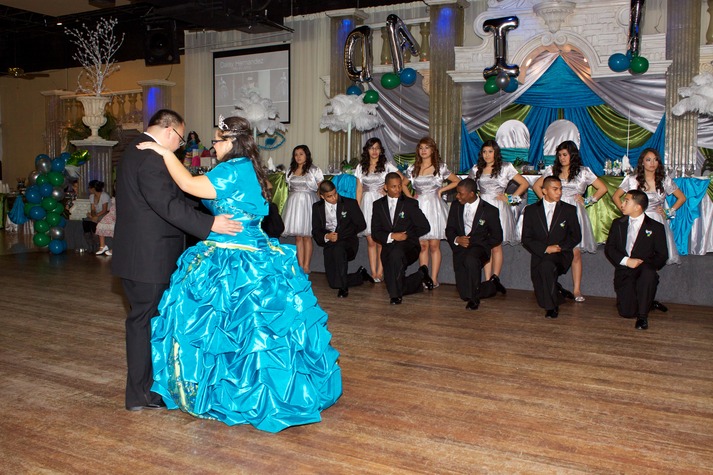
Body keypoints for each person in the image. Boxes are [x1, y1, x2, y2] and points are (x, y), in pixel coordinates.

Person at [136, 115, 342, 432]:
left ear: (232, 142)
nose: (213, 145)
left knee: (241, 329)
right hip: (239, 250)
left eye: (218, 140)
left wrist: (164, 153)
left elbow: (190, 185)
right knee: (239, 329)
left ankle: (248, 394)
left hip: (237, 258)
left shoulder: (233, 169)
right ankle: (233, 387)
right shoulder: (243, 168)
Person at [111, 109, 242, 412]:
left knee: (142, 323)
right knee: (144, 325)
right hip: (149, 258)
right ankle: (141, 394)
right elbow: (166, 205)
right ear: (170, 131)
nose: (181, 147)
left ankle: (141, 391)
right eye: (181, 140)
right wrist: (210, 225)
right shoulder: (151, 157)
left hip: (137, 256)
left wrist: (207, 199)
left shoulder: (133, 151)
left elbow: (173, 197)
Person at [532, 141, 608, 302]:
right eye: (559, 155)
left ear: (572, 155)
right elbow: (537, 186)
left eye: (565, 154)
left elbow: (602, 188)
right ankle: (550, 285)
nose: (562, 158)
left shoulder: (583, 172)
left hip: (574, 211)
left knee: (575, 252)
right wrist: (546, 201)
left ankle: (577, 289)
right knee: (553, 248)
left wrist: (587, 201)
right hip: (555, 211)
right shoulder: (552, 170)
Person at [468, 139, 529, 292]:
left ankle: (495, 278)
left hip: (498, 208)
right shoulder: (476, 169)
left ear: (496, 152)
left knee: (496, 245)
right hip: (481, 208)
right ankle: (487, 280)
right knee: (484, 245)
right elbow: (468, 187)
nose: (487, 155)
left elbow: (524, 184)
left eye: (490, 151)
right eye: (484, 152)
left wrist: (510, 197)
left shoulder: (505, 167)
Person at [605, 190, 668, 330]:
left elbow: (662, 255)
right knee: (626, 313)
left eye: (626, 201)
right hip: (624, 270)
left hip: (644, 270)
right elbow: (610, 248)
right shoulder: (618, 223)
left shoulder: (656, 227)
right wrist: (626, 261)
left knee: (647, 274)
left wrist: (646, 266)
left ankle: (643, 317)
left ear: (637, 206)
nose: (622, 203)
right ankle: (649, 302)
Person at [402, 137, 460, 288]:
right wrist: (410, 199)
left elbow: (457, 181)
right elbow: (403, 185)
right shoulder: (413, 168)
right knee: (422, 245)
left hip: (435, 207)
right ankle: (424, 276)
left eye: (426, 147)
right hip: (419, 207)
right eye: (421, 148)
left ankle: (434, 278)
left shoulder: (440, 167)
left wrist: (442, 189)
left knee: (434, 245)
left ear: (433, 149)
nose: (423, 151)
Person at [612, 148, 686, 266]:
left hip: (657, 219)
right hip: (636, 219)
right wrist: (626, 211)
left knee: (654, 258)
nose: (652, 163)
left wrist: (668, 212)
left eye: (655, 160)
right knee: (635, 251)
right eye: (648, 160)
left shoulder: (664, 180)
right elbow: (616, 196)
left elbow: (682, 198)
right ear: (642, 162)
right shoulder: (632, 179)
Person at [521, 176, 582, 319]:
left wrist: (559, 248)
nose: (559, 192)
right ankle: (558, 292)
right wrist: (545, 248)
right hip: (540, 254)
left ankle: (552, 308)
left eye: (561, 189)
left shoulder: (569, 210)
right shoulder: (531, 210)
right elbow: (526, 239)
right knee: (541, 299)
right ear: (544, 191)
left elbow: (576, 236)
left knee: (548, 266)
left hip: (560, 254)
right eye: (555, 189)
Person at [371, 172, 432, 305]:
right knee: (392, 280)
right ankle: (420, 275)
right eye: (393, 187)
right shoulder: (378, 205)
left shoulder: (410, 204)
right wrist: (392, 236)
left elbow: (425, 227)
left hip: (409, 246)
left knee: (396, 257)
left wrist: (406, 236)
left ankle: (395, 296)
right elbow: (375, 232)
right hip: (388, 246)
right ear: (386, 187)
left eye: (399, 186)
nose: (398, 189)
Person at [445, 178, 503, 310]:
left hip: (479, 248)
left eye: (460, 193)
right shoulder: (455, 206)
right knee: (464, 294)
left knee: (471, 259)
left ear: (472, 194)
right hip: (460, 248)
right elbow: (449, 229)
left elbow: (497, 237)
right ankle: (492, 285)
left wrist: (479, 244)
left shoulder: (490, 210)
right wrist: (457, 239)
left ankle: (474, 300)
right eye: (457, 193)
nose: (457, 196)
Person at [312, 180, 373, 297]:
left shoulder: (349, 203)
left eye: (335, 194)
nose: (334, 198)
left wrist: (341, 235)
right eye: (329, 196)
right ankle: (360, 275)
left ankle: (344, 288)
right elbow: (315, 231)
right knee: (333, 283)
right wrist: (327, 236)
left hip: (348, 242)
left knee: (338, 249)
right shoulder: (317, 207)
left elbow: (361, 225)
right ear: (322, 196)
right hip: (330, 244)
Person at [355, 137, 402, 283]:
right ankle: (373, 271)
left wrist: (387, 190)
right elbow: (359, 189)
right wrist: (357, 209)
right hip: (367, 203)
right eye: (371, 148)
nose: (374, 151)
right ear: (367, 150)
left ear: (381, 150)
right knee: (370, 240)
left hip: (382, 204)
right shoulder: (360, 167)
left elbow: (403, 180)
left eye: (377, 148)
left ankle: (380, 272)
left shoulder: (387, 166)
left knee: (381, 239)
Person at [282, 145, 324, 274]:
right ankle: (300, 265)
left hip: (308, 203)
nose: (298, 157)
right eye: (296, 154)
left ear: (306, 155)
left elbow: (320, 189)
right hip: (294, 204)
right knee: (298, 237)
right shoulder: (290, 170)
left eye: (301, 154)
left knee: (307, 236)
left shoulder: (314, 170)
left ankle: (306, 265)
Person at [82, 180, 110, 252]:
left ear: (93, 189)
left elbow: (105, 210)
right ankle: (90, 244)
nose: (89, 189)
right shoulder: (91, 196)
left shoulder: (104, 196)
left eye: (89, 188)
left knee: (95, 222)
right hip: (97, 213)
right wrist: (92, 215)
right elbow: (93, 209)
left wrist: (95, 216)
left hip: (105, 214)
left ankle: (98, 244)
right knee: (86, 221)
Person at [95, 189, 116, 256]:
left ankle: (115, 248)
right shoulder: (116, 194)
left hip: (119, 214)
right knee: (101, 225)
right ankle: (102, 246)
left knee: (115, 229)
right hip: (112, 213)